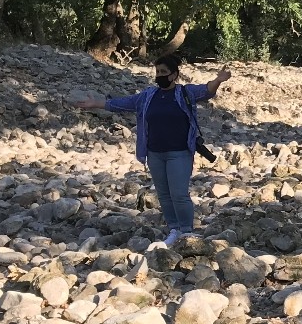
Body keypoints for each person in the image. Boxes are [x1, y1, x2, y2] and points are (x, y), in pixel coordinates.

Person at [70, 54, 231, 245]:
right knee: (163, 194)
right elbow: (124, 103)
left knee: (179, 194)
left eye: (164, 72)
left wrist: (218, 80)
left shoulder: (185, 93)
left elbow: (206, 91)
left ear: (174, 75)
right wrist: (96, 103)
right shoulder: (148, 96)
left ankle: (187, 231)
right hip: (154, 153)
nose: (159, 75)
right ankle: (174, 229)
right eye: (157, 72)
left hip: (179, 153)